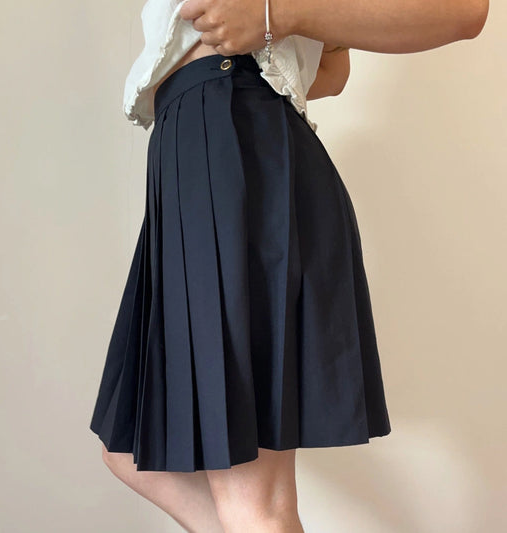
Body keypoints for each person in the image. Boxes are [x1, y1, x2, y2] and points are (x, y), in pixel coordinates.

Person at [90, 1, 488, 532]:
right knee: (128, 450)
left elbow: (464, 12)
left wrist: (275, 14)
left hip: (230, 135)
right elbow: (329, 70)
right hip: (197, 153)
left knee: (256, 504)